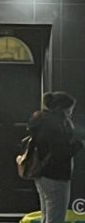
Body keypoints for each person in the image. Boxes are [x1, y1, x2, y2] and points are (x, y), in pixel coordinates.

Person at [28, 91, 84, 223]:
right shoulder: (58, 125)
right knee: (56, 217)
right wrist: (79, 144)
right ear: (63, 108)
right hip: (56, 174)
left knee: (47, 214)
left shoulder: (41, 121)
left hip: (41, 172)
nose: (71, 111)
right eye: (70, 108)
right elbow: (62, 152)